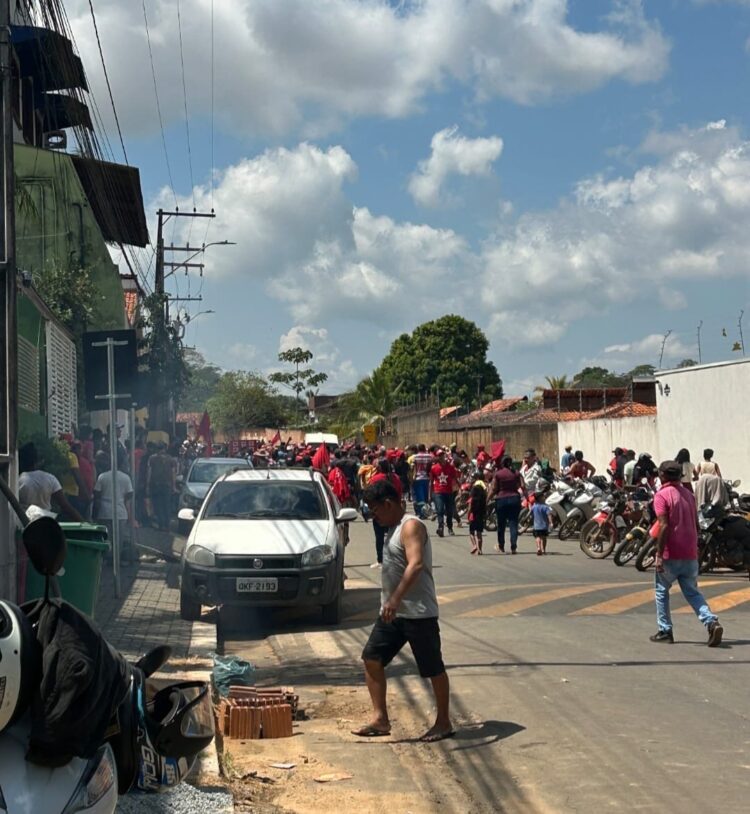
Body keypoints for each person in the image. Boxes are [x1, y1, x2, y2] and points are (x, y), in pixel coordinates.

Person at [353, 478, 453, 743]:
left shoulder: (410, 526)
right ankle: (380, 718)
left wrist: (395, 599)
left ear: (388, 504)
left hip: (418, 613)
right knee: (372, 658)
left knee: (433, 668)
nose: (374, 517)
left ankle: (444, 722)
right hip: (393, 614)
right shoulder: (391, 528)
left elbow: (416, 564)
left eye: (375, 511)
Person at [650, 460, 723, 647]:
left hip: (670, 554)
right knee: (692, 592)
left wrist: (659, 554)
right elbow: (696, 524)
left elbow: (664, 526)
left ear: (662, 476)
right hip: (690, 553)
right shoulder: (688, 495)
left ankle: (665, 630)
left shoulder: (662, 496)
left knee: (661, 591)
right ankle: (711, 622)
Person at [18, 442, 83, 521]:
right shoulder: (50, 478)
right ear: (37, 461)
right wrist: (83, 523)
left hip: (23, 523)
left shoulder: (17, 480)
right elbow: (65, 506)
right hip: (47, 523)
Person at [93, 455, 136, 564]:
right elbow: (129, 494)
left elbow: (96, 494)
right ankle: (115, 559)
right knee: (118, 539)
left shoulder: (102, 476)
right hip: (120, 513)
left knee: (106, 538)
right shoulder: (126, 477)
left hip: (104, 512)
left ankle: (105, 558)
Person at [488, 455, 525, 554]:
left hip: (501, 500)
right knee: (513, 523)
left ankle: (501, 546)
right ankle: (513, 547)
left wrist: (487, 499)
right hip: (514, 499)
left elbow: (494, 489)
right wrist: (528, 498)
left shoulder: (498, 474)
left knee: (501, 524)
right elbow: (523, 485)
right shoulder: (516, 473)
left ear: (502, 463)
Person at [429, 449, 458, 537]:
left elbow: (455, 478)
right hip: (438, 492)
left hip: (449, 491)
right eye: (439, 455)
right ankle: (440, 527)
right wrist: (429, 494)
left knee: (449, 511)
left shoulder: (450, 467)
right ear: (437, 457)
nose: (441, 457)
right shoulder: (434, 468)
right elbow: (431, 482)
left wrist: (458, 488)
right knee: (440, 510)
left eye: (442, 455)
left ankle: (450, 527)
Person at [147, 443, 175, 531]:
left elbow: (149, 472)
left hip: (156, 484)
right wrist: (173, 486)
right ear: (165, 449)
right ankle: (167, 524)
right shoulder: (171, 459)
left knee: (158, 505)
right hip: (167, 485)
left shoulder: (152, 458)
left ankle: (161, 524)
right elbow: (173, 473)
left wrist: (147, 485)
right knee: (166, 505)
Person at [410, 444, 434, 512]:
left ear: (418, 449)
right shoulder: (429, 456)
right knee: (426, 496)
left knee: (420, 497)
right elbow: (430, 467)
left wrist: (412, 477)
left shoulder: (415, 457)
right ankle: (426, 511)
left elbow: (413, 467)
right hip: (427, 478)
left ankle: (421, 512)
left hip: (418, 478)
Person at [531, 491, 553, 556]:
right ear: (540, 498)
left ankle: (538, 548)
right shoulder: (545, 507)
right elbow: (549, 515)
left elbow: (531, 514)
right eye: (543, 496)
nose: (544, 497)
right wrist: (551, 522)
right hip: (544, 526)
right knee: (544, 538)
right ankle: (543, 550)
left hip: (536, 526)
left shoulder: (534, 506)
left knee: (537, 537)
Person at [467, 480, 486, 555]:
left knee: (471, 533)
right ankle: (480, 550)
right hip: (480, 516)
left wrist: (468, 517)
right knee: (479, 533)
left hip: (473, 516)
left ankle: (474, 545)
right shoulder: (483, 500)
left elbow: (469, 509)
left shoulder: (472, 499)